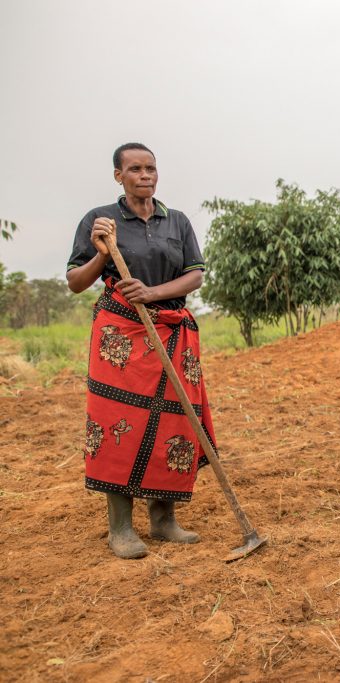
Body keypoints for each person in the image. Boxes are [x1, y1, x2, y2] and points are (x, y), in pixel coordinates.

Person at [65, 143, 213, 559]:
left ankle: (164, 520)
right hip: (121, 339)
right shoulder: (101, 222)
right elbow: (76, 281)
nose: (145, 175)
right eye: (135, 169)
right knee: (119, 426)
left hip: (170, 331)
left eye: (151, 168)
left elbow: (195, 275)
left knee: (174, 423)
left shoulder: (177, 221)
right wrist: (100, 254)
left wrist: (153, 292)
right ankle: (121, 529)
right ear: (119, 176)